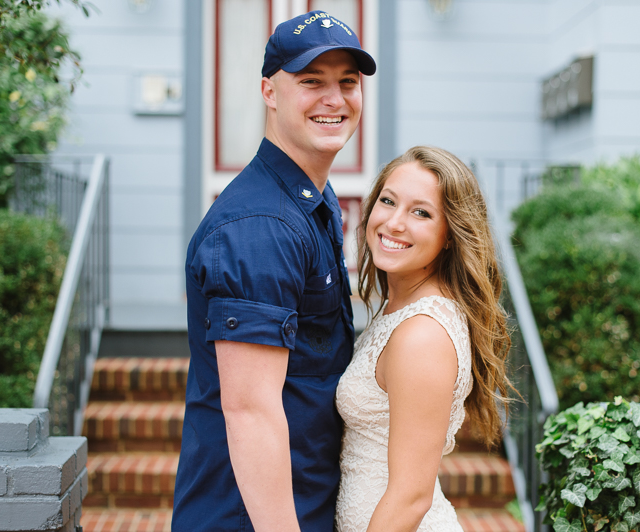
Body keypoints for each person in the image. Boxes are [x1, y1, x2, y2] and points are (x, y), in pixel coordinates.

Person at [172, 10, 376, 532]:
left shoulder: (308, 200)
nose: (335, 99)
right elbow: (250, 413)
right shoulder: (260, 227)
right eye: (311, 82)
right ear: (269, 91)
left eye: (347, 83)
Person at [334, 146, 515, 531]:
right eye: (388, 201)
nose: (395, 223)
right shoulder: (397, 307)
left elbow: (411, 498)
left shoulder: (423, 334)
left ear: (450, 235)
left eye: (421, 212)